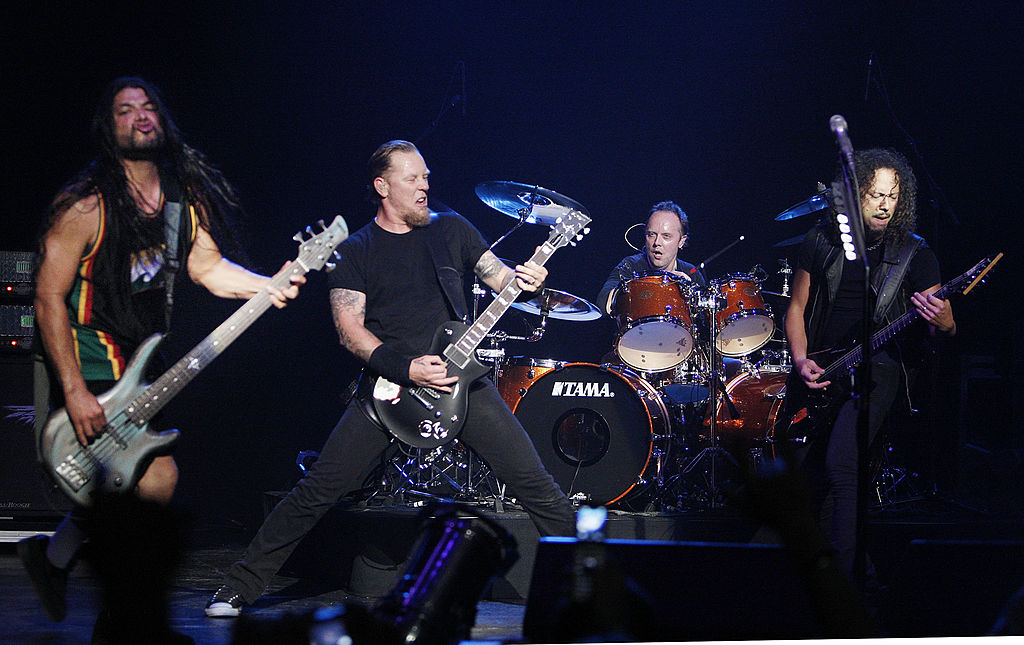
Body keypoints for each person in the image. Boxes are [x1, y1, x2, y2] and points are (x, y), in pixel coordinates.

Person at [205, 139, 576, 617]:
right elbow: (349, 332)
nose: (425, 186)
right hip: (389, 390)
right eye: (413, 178)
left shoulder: (453, 229)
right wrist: (407, 367)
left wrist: (525, 280)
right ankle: (238, 587)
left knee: (537, 485)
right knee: (318, 490)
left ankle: (592, 587)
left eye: (425, 177)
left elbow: (497, 277)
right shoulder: (355, 250)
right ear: (383, 186)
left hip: (460, 378)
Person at [18, 77, 303, 635]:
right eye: (125, 110)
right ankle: (110, 605)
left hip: (138, 358)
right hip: (88, 352)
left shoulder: (180, 202)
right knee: (144, 482)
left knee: (152, 482)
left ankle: (57, 564)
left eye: (148, 106)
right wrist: (73, 389)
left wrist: (267, 284)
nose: (140, 116)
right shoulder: (85, 205)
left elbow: (209, 269)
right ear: (110, 128)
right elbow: (48, 296)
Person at [779, 148, 955, 582]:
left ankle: (846, 577)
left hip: (879, 371)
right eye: (875, 194)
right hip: (823, 368)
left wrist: (944, 321)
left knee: (843, 465)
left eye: (892, 197)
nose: (883, 204)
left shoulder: (915, 254)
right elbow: (796, 308)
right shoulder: (820, 240)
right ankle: (838, 570)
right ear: (856, 194)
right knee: (806, 476)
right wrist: (801, 361)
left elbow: (943, 329)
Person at [596, 200, 706, 316]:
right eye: (651, 234)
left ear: (681, 241)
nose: (657, 242)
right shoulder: (630, 265)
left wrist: (691, 293)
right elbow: (601, 304)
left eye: (666, 236)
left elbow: (706, 322)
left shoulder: (691, 273)